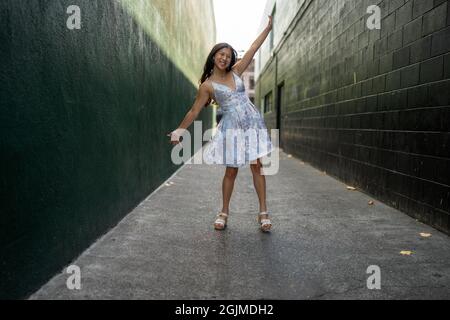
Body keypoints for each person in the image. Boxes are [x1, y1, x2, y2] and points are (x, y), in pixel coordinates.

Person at [167, 16, 274, 232]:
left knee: (257, 166)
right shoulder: (207, 86)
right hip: (232, 129)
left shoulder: (236, 71)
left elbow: (253, 47)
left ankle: (263, 212)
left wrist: (268, 28)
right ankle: (223, 212)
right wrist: (179, 130)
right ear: (214, 56)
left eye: (228, 55)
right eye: (221, 54)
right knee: (231, 171)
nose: (224, 58)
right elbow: (194, 110)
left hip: (251, 123)